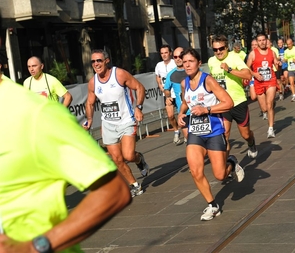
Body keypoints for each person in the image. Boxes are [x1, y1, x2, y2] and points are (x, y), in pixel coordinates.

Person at [0, 59, 131, 252]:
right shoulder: (27, 85)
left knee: (125, 155)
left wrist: (35, 247)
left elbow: (114, 191)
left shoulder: (35, 113)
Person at [177, 48, 243, 221]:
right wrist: (181, 114)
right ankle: (212, 205)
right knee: (195, 170)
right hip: (196, 132)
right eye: (184, 62)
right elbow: (186, 101)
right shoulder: (184, 83)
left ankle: (231, 162)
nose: (187, 65)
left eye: (191, 61)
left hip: (214, 131)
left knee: (220, 175)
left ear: (199, 63)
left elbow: (228, 102)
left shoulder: (208, 81)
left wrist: (206, 109)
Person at [84, 49, 150, 197]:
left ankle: (139, 159)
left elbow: (140, 88)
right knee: (117, 160)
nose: (96, 64)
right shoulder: (93, 82)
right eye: (93, 61)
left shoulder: (119, 74)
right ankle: (134, 185)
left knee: (128, 155)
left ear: (106, 61)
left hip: (126, 120)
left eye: (99, 60)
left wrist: (138, 108)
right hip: (108, 124)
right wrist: (89, 120)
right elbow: (89, 103)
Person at [208, 35, 258, 162]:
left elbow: (248, 74)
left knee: (245, 134)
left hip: (238, 102)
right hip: (223, 104)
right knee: (224, 135)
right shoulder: (211, 61)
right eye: (215, 49)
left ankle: (251, 143)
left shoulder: (234, 58)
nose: (218, 52)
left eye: (221, 48)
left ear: (227, 47)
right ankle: (225, 164)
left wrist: (229, 69)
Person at [246, 33, 279, 138]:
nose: (262, 42)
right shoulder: (253, 54)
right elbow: (246, 68)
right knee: (264, 108)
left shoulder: (272, 52)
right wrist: (255, 74)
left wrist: (278, 64)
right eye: (259, 40)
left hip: (270, 81)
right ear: (257, 42)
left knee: (269, 104)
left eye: (263, 40)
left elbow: (276, 66)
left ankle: (270, 129)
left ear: (266, 40)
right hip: (258, 82)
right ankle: (267, 112)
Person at [155, 44, 179, 143]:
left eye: (166, 53)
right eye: (162, 53)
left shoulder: (175, 63)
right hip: (167, 94)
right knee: (170, 116)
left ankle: (187, 133)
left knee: (183, 114)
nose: (164, 55)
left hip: (177, 93)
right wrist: (160, 86)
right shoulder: (159, 65)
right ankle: (176, 131)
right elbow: (158, 76)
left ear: (170, 53)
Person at [164, 47, 188, 144]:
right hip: (182, 111)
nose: (178, 59)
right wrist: (168, 96)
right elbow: (166, 89)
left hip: (196, 108)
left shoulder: (191, 70)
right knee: (190, 141)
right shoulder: (171, 74)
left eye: (180, 56)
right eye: (175, 57)